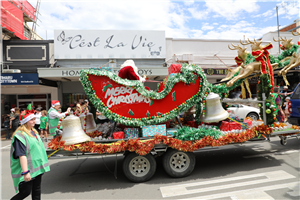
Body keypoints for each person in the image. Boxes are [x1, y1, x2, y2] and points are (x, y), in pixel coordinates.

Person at [10, 104, 50, 200]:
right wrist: (25, 172)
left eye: (34, 119)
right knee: (25, 192)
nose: (34, 121)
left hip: (37, 169)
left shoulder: (33, 131)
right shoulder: (20, 135)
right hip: (27, 170)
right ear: (25, 122)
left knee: (36, 191)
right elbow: (21, 155)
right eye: (31, 120)